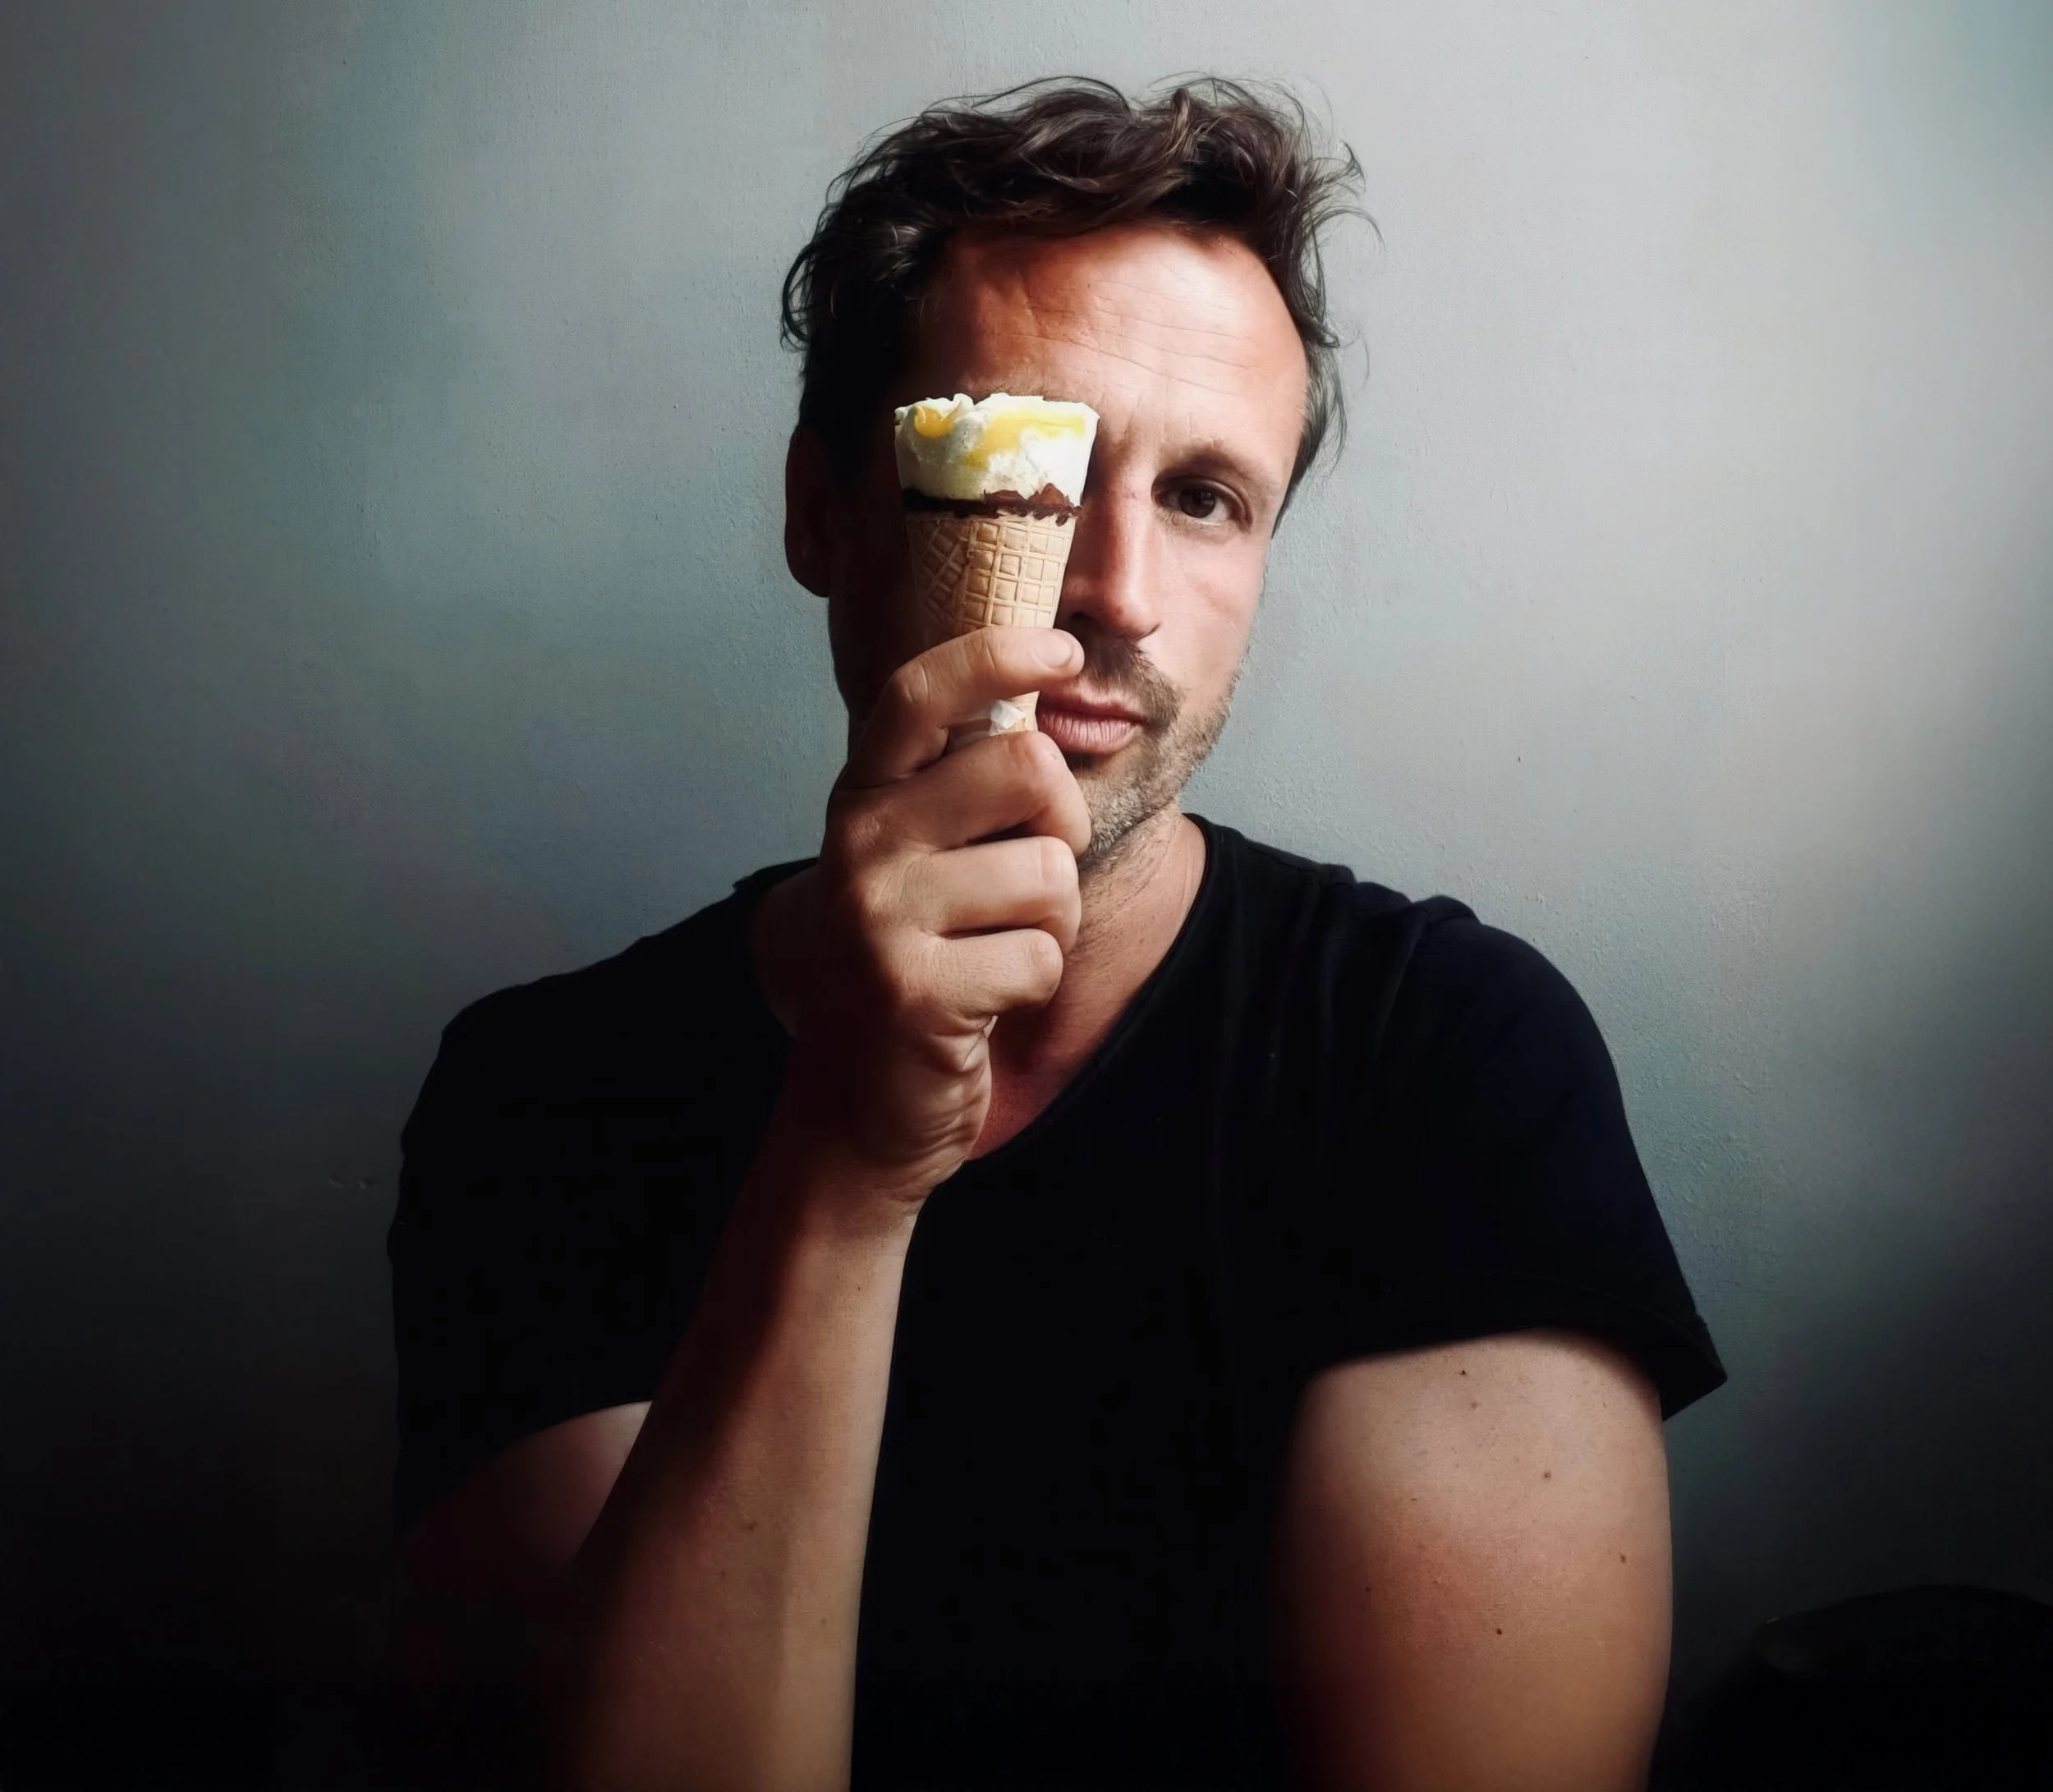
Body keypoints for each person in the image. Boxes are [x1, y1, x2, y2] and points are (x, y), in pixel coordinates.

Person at [385, 76, 1727, 1792]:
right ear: (822, 511)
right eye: (1024, 467)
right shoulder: (544, 1102)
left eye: (1204, 497)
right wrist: (848, 1157)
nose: (1113, 586)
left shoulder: (1440, 1060)